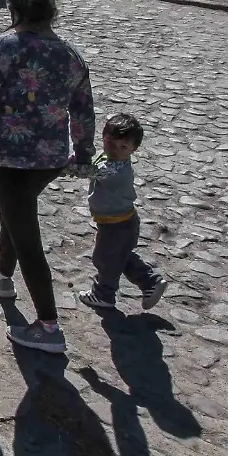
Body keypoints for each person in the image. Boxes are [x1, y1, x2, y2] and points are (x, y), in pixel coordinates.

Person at [0, 0, 94, 355]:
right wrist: (83, 154)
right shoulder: (71, 55)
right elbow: (83, 110)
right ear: (52, 14)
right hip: (50, 158)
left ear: (14, 11)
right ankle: (2, 276)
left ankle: (49, 325)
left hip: (9, 157)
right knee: (15, 213)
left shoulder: (5, 48)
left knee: (26, 236)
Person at [75, 114, 167, 312]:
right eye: (110, 142)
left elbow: (86, 172)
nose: (114, 150)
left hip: (116, 224)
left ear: (133, 149)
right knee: (120, 256)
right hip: (123, 221)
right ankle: (151, 281)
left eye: (123, 147)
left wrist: (62, 166)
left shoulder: (113, 169)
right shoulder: (112, 159)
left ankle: (103, 294)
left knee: (104, 258)